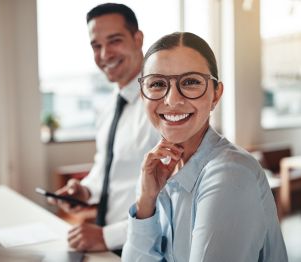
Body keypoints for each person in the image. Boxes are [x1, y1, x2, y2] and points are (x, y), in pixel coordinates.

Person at [122, 32, 288, 261]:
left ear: (216, 94)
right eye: (158, 84)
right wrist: (145, 202)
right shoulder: (160, 170)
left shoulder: (230, 173)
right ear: (143, 95)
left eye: (190, 82)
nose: (171, 100)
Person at [48, 3, 158, 254]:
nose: (105, 54)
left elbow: (173, 198)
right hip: (107, 246)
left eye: (114, 41)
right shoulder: (109, 108)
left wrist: (106, 236)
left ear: (138, 39)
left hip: (145, 247)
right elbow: (106, 169)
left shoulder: (162, 107)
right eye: (96, 46)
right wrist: (85, 191)